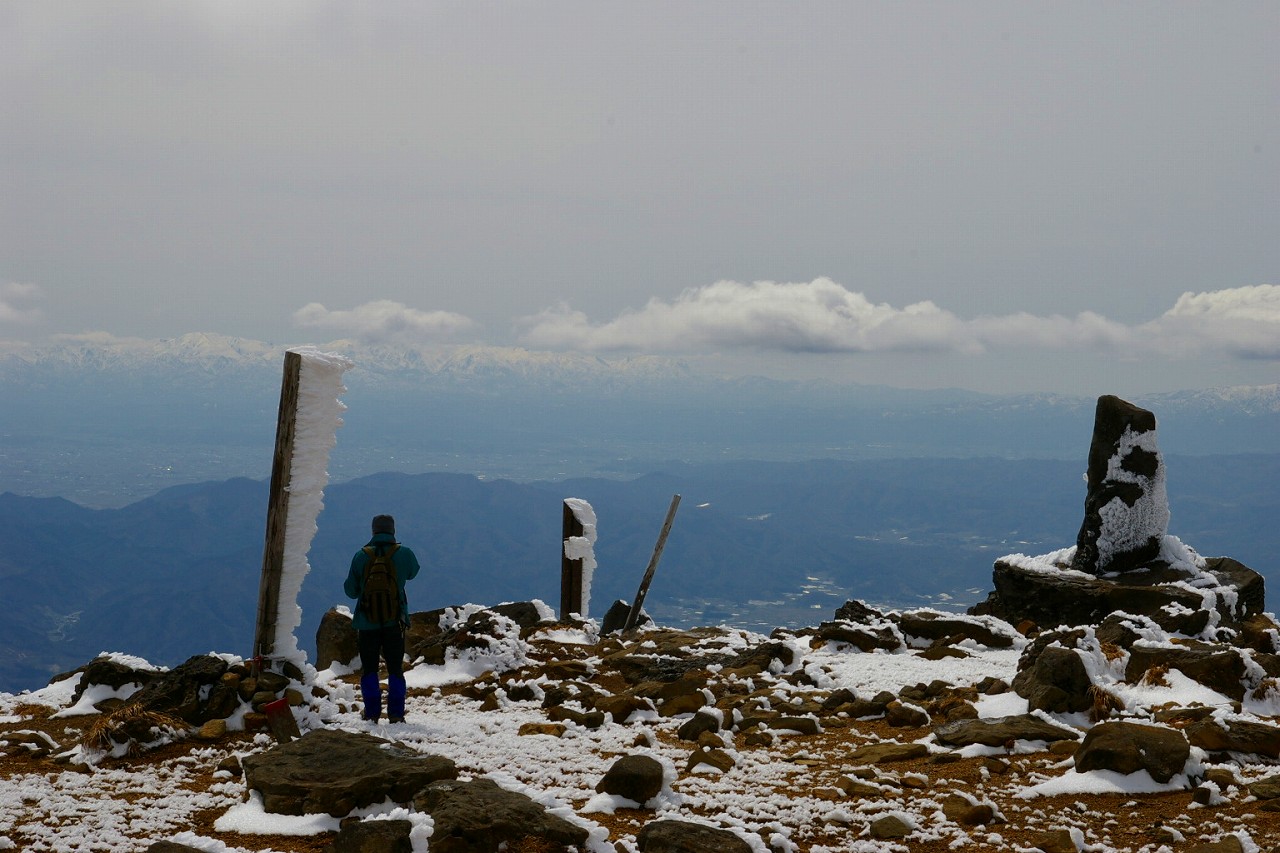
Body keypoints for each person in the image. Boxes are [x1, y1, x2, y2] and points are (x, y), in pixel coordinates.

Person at [344, 514, 421, 723]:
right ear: (393, 531)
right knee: (395, 668)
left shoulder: (361, 556)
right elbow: (413, 572)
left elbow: (350, 591)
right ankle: (396, 713)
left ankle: (372, 713)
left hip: (366, 623)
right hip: (395, 621)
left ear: (373, 531)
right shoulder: (404, 553)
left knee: (369, 668)